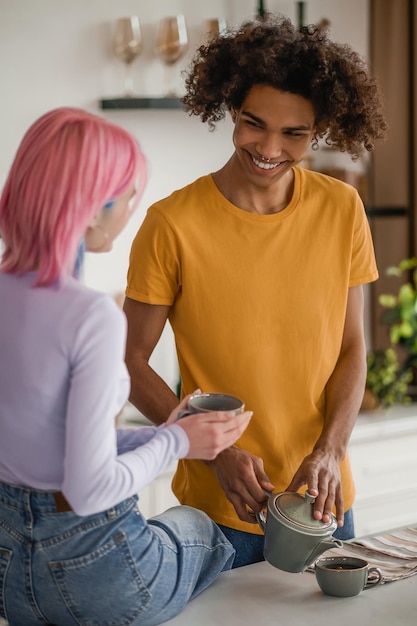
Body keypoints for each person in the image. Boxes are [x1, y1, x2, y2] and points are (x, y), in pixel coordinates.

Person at [123, 14, 388, 569]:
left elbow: (352, 350)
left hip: (322, 503)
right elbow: (127, 363)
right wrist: (211, 449)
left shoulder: (342, 209)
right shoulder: (172, 223)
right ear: (229, 110)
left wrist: (329, 452)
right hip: (220, 514)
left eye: (294, 133)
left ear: (320, 128)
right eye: (253, 123)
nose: (269, 147)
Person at [0, 107, 253, 626]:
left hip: (10, 575)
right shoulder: (90, 315)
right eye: (129, 195)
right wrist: (182, 444)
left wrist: (162, 432)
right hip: (100, 578)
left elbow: (46, 446)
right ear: (94, 208)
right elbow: (88, 487)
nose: (133, 209)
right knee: (201, 528)